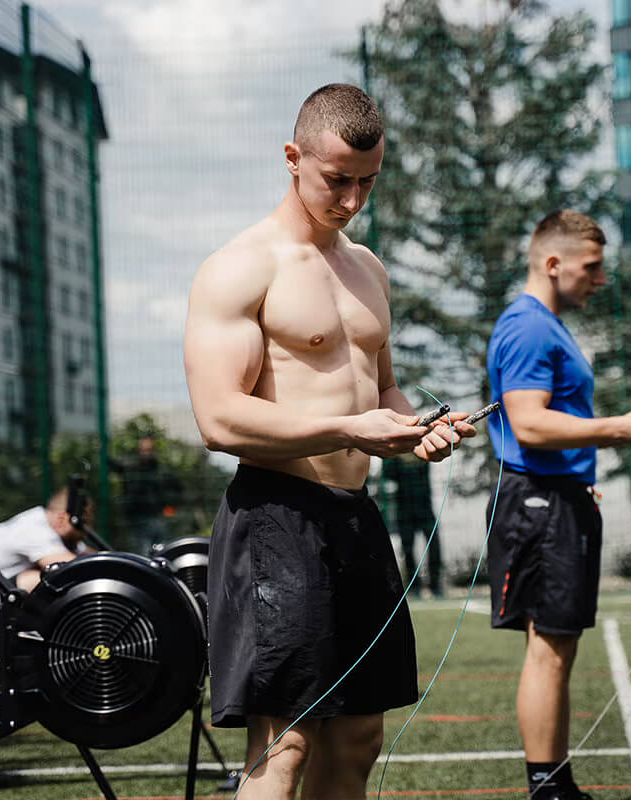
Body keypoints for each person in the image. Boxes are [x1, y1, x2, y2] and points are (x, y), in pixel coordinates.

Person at [183, 83, 476, 800]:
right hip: (275, 518)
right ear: (292, 157)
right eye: (337, 181)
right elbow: (219, 420)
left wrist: (419, 429)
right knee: (284, 744)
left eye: (367, 184)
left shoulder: (367, 266)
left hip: (354, 517)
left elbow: (381, 390)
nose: (351, 200)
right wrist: (350, 428)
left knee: (359, 736)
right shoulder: (241, 267)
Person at [485, 210, 631, 800]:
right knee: (549, 648)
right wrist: (621, 429)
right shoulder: (528, 326)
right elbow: (528, 423)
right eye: (592, 267)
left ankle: (556, 785)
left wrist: (624, 438)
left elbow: (552, 423)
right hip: (540, 504)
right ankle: (548, 790)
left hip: (555, 498)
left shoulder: (545, 324)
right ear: (553, 265)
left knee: (557, 646)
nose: (599, 279)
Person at [0, 488, 91, 638]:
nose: (87, 530)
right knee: (45, 579)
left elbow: (89, 556)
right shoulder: (33, 528)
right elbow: (71, 567)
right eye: (85, 523)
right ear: (62, 518)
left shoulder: (50, 528)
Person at [381, 452, 443, 597]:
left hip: (424, 505)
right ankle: (414, 586)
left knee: (434, 544)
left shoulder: (421, 449)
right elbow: (388, 475)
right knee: (407, 547)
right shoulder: (395, 455)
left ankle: (435, 584)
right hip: (404, 507)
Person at [118, 435, 180, 550]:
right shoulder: (131, 468)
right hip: (137, 520)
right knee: (143, 553)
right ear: (139, 450)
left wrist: (170, 509)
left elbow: (177, 490)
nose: (146, 453)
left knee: (162, 550)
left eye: (149, 450)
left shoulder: (161, 470)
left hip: (158, 518)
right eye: (144, 450)